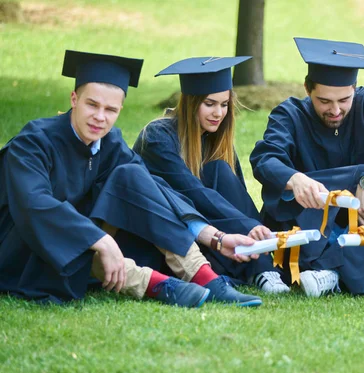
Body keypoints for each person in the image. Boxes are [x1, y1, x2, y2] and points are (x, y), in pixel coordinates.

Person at [0, 50, 262, 307]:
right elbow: (34, 204)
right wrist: (99, 239)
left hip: (86, 238)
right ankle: (156, 284)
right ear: (74, 99)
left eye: (110, 109)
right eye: (92, 104)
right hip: (26, 248)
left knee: (134, 175)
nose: (100, 117)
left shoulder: (110, 143)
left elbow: (153, 190)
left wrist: (214, 237)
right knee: (103, 202)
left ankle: (200, 274)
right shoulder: (33, 143)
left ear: (120, 109)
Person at [249, 38, 364, 297]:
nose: (335, 110)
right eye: (324, 101)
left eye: (344, 100)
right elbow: (265, 158)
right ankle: (363, 271)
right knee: (293, 190)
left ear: (355, 88)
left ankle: (332, 273)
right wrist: (296, 179)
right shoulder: (290, 115)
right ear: (307, 89)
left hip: (363, 216)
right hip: (312, 215)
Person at [132, 56, 290, 294]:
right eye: (209, 103)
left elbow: (235, 193)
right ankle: (255, 265)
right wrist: (250, 226)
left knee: (220, 170)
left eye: (224, 104)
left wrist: (253, 227)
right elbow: (191, 192)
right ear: (190, 102)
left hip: (211, 226)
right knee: (208, 190)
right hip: (171, 227)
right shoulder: (157, 137)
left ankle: (261, 267)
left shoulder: (214, 137)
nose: (218, 113)